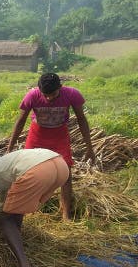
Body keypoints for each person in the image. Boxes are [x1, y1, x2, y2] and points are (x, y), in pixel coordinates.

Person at [6, 72, 95, 219]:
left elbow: (81, 119)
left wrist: (89, 147)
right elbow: (20, 121)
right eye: (45, 95)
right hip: (37, 135)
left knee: (65, 173)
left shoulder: (72, 94)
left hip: (59, 136)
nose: (49, 98)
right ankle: (27, 210)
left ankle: (66, 215)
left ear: (60, 87)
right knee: (28, 172)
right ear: (39, 89)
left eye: (53, 94)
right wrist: (10, 147)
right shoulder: (32, 96)